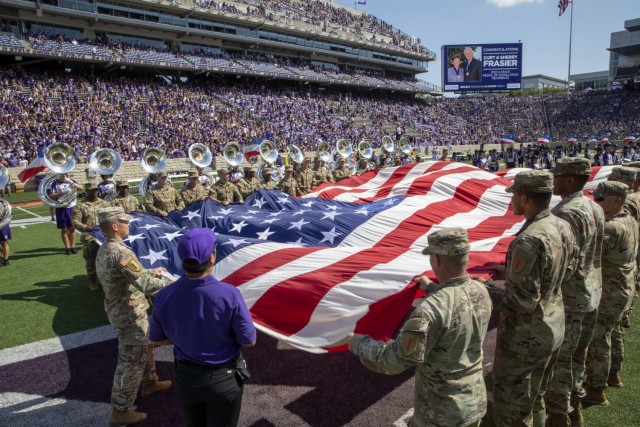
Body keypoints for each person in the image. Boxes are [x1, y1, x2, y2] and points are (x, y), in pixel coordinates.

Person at [347, 228, 491, 427]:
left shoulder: (429, 311)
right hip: (473, 403)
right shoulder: (481, 290)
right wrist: (431, 288)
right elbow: (457, 304)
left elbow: (393, 361)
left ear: (437, 260)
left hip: (440, 414)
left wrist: (356, 342)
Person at [487, 170, 576, 427]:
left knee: (512, 410)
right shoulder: (561, 225)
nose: (511, 200)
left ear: (524, 197)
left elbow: (522, 301)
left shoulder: (528, 240)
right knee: (536, 397)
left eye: (514, 194)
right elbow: (566, 269)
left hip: (526, 338)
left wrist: (486, 288)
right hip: (553, 324)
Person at [149, 228, 257, 426]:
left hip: (185, 380)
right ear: (212, 256)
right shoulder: (229, 294)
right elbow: (249, 340)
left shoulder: (164, 295)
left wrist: (185, 336)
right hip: (222, 379)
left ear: (181, 258)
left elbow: (155, 338)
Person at [95, 206, 173, 426]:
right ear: (114, 226)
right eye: (124, 222)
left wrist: (151, 271)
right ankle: (120, 411)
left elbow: (133, 274)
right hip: (128, 315)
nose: (128, 225)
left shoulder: (107, 248)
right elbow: (146, 285)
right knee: (130, 361)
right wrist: (176, 285)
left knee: (145, 346)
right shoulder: (120, 252)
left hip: (126, 311)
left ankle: (150, 383)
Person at [545, 158, 605, 426]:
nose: (552, 181)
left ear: (569, 179)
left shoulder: (567, 212)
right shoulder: (594, 206)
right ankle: (575, 405)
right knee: (578, 355)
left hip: (570, 297)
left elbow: (564, 261)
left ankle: (559, 415)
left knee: (562, 361)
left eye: (556, 176)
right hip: (591, 291)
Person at [583, 182, 638, 407]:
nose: (596, 203)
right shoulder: (630, 219)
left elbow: (588, 257)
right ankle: (614, 374)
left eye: (600, 199)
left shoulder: (611, 228)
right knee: (613, 333)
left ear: (616, 200)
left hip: (610, 291)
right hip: (624, 287)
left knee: (598, 340)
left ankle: (596, 389)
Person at [72, 181, 109, 291]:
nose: (95, 192)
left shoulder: (104, 203)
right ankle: (92, 281)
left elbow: (110, 216)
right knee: (91, 261)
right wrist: (84, 227)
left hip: (104, 237)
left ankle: (105, 280)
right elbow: (74, 221)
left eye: (96, 190)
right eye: (92, 190)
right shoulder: (80, 206)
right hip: (90, 238)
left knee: (106, 260)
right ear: (87, 191)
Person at [48, 173, 84, 255]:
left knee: (72, 228)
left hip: (72, 207)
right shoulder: (54, 183)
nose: (63, 176)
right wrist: (61, 193)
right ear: (58, 175)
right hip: (61, 207)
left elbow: (81, 188)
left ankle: (73, 247)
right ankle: (67, 248)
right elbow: (51, 196)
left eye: (65, 174)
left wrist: (70, 182)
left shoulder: (71, 181)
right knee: (64, 229)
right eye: (61, 175)